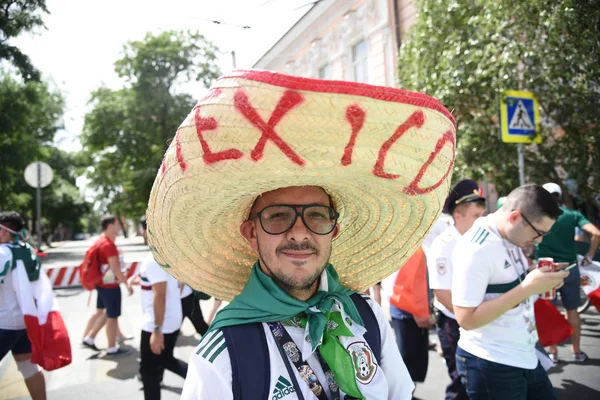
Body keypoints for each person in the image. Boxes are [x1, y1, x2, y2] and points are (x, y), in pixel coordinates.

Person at [144, 69, 457, 399]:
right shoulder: (223, 356)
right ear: (251, 233)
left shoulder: (365, 315)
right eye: (278, 217)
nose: (298, 233)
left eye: (316, 216)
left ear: (333, 230)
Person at [452, 184, 570, 400]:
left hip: (523, 353)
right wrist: (529, 287)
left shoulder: (509, 236)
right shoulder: (476, 248)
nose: (540, 240)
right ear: (515, 217)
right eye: (538, 233)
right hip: (491, 361)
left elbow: (510, 291)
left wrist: (542, 282)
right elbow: (466, 318)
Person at [426, 179, 485, 400]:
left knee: (479, 378)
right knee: (461, 380)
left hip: (477, 318)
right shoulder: (443, 245)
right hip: (454, 321)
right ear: (458, 216)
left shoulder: (478, 239)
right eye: (476, 215)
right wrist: (471, 319)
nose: (481, 220)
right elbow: (441, 293)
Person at [537, 182, 600, 363]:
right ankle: (577, 351)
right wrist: (589, 254)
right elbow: (595, 233)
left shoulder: (537, 216)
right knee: (572, 310)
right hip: (570, 268)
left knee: (551, 310)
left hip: (546, 269)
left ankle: (553, 352)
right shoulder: (572, 215)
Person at [127, 252, 188, 400]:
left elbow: (160, 295)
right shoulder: (171, 255)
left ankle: (203, 378)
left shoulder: (154, 259)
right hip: (171, 319)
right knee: (166, 360)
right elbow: (178, 285)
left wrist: (157, 329)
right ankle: (202, 377)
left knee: (148, 371)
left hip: (159, 324)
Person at [0, 211, 46, 400]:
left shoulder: (3, 252)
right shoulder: (26, 249)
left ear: (3, 232)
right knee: (28, 368)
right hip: (24, 321)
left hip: (4, 322)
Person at [82, 215, 133, 355]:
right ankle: (111, 347)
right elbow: (115, 268)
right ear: (110, 226)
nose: (119, 228)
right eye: (117, 225)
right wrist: (126, 284)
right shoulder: (108, 245)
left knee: (106, 313)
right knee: (113, 317)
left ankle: (90, 338)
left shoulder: (101, 241)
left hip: (102, 285)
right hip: (110, 287)